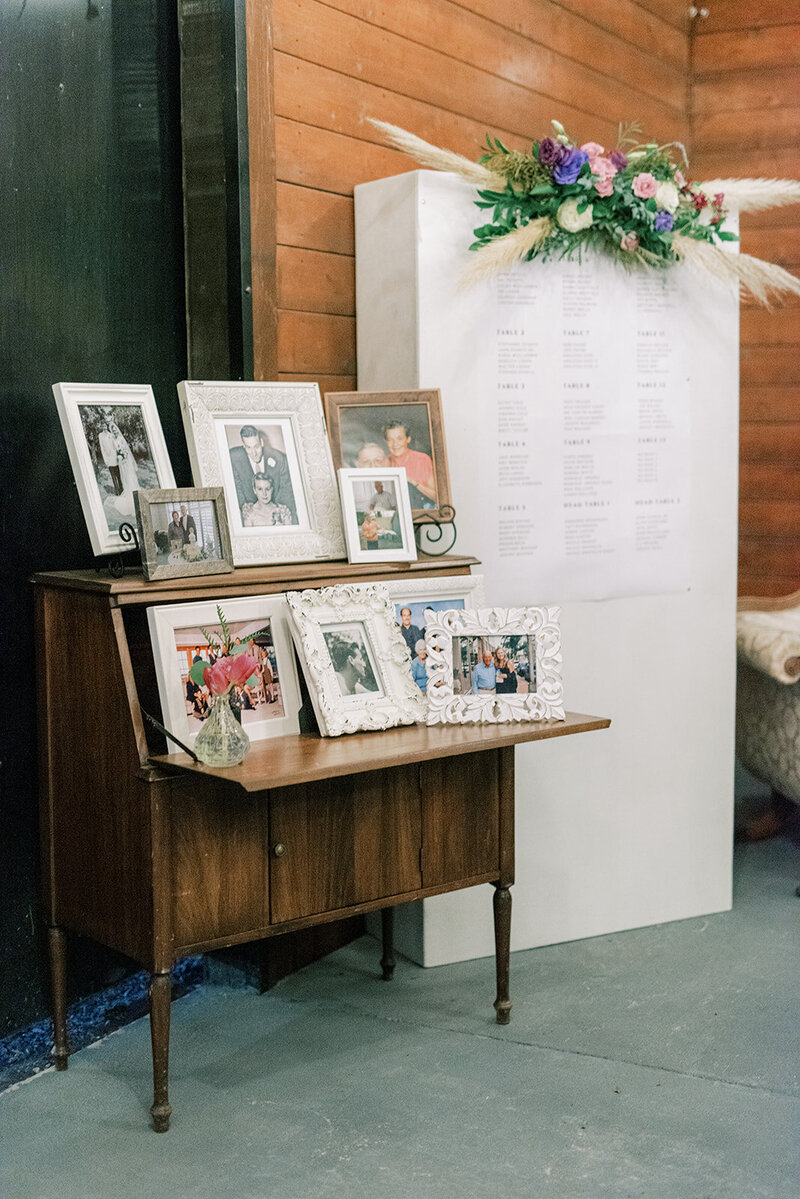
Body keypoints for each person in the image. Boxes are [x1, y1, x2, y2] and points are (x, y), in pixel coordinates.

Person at [229, 425, 296, 521]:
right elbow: (236, 488)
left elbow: (287, 489)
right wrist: (244, 507)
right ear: (244, 446)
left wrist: (276, 511)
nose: (254, 453)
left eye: (256, 447)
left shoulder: (279, 458)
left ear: (261, 442)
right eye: (248, 448)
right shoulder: (233, 458)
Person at [384, 418, 436, 508]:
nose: (395, 444)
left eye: (399, 439)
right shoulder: (384, 462)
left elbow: (436, 497)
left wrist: (412, 482)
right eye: (390, 440)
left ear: (408, 439)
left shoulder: (422, 459)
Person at [109, 421, 140, 516]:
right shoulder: (113, 440)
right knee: (125, 478)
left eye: (116, 430)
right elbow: (115, 450)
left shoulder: (121, 439)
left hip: (126, 460)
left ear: (118, 430)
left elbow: (126, 449)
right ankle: (128, 492)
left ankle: (134, 492)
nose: (115, 432)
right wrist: (119, 455)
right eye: (113, 431)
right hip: (121, 461)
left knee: (131, 477)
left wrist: (124, 454)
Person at [98, 420, 122, 495]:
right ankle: (117, 491)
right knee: (113, 475)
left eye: (105, 426)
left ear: (107, 426)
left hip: (114, 456)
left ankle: (121, 489)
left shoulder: (110, 434)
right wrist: (105, 460)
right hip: (108, 458)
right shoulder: (100, 435)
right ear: (101, 427)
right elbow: (102, 448)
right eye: (103, 426)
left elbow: (115, 445)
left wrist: (118, 454)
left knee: (118, 474)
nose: (104, 427)